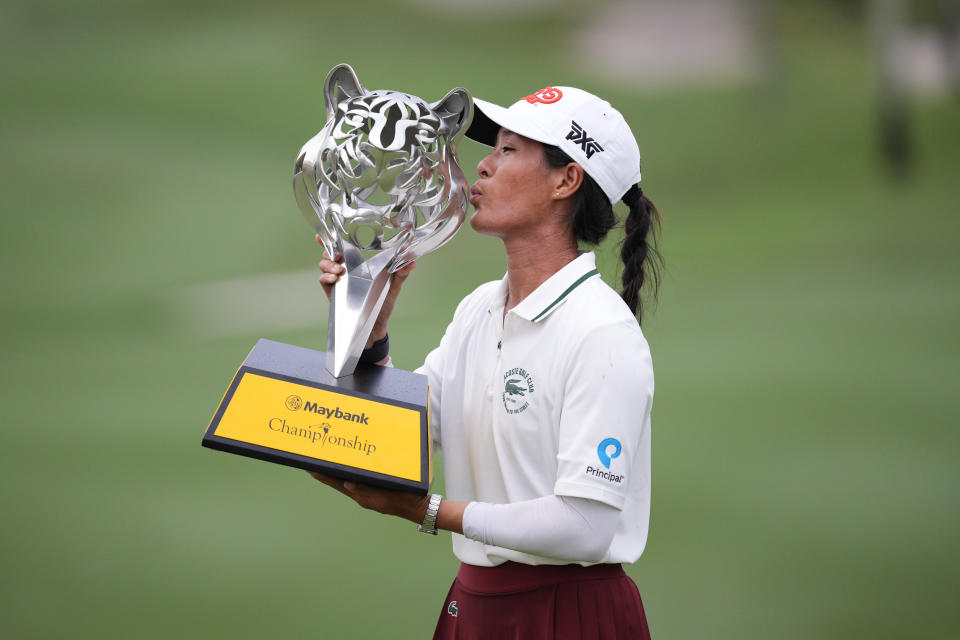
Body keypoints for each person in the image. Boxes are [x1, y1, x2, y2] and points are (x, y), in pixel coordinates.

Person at [311, 85, 661, 639]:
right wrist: (367, 323)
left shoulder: (601, 331)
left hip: (569, 614)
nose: (483, 164)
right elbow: (398, 438)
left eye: (508, 150)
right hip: (477, 605)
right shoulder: (479, 308)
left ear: (566, 181)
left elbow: (585, 527)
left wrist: (424, 511)